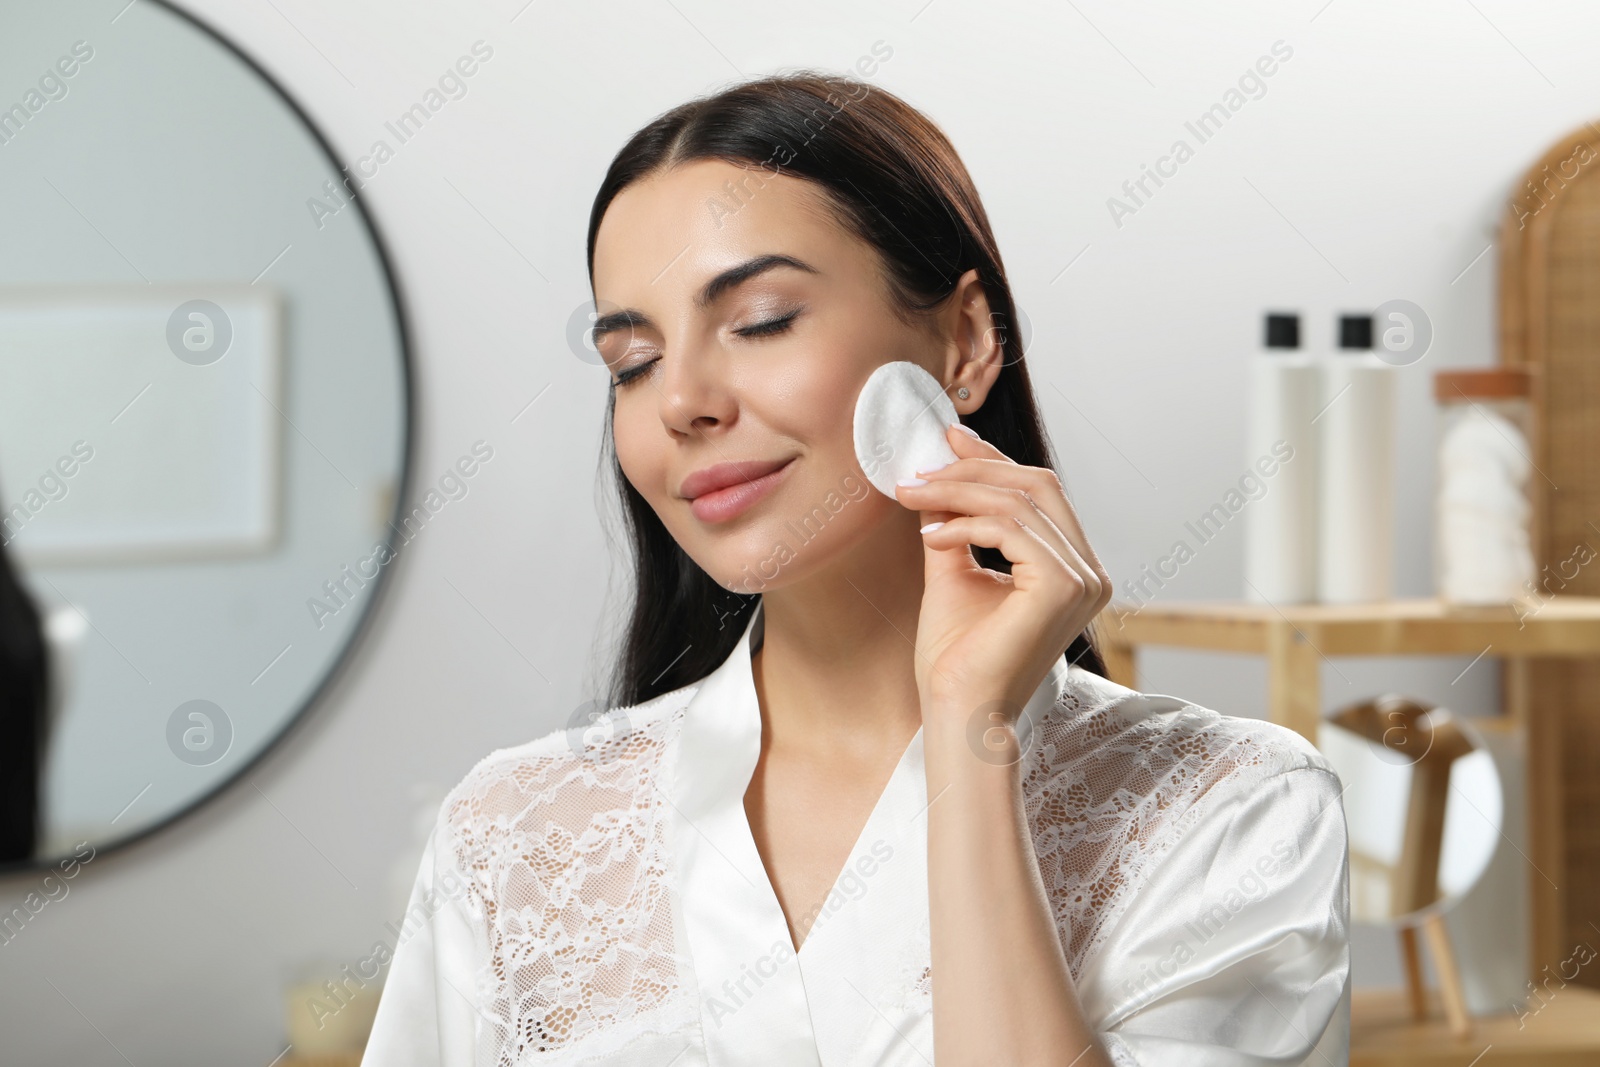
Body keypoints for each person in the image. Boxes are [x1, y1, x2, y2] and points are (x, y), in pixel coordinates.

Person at [362, 71, 1349, 1066]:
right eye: (633, 361)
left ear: (962, 341)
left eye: (759, 320)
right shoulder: (515, 833)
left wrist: (970, 729)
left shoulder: (1229, 807)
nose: (683, 401)